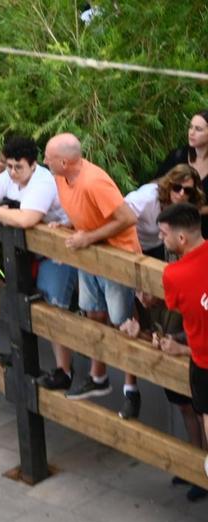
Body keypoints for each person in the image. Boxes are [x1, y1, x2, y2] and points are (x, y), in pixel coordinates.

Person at [44, 133, 142, 414]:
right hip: (90, 255)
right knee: (93, 313)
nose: (45, 162)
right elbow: (84, 214)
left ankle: (131, 390)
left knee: (121, 321)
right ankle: (98, 376)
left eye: (49, 158)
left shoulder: (93, 181)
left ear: (64, 161)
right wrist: (70, 228)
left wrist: (87, 238)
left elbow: (127, 218)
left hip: (116, 256)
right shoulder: (61, 178)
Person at [0, 135, 76, 341]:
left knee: (53, 308)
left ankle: (66, 368)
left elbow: (27, 219)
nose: (12, 172)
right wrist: (3, 212)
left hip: (58, 250)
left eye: (18, 167)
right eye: (9, 167)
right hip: (29, 250)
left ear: (33, 165)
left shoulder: (43, 182)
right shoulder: (10, 176)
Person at [156, 202, 208, 501]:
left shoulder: (174, 275)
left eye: (163, 234)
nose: (162, 239)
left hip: (203, 364)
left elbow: (175, 306)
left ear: (181, 239)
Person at [126, 163, 205, 261]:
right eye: (177, 188)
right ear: (169, 184)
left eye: (187, 191)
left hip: (156, 246)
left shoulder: (185, 206)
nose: (181, 194)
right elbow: (120, 214)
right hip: (130, 246)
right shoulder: (147, 198)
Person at [153, 109, 208, 231]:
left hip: (202, 231)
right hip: (172, 227)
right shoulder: (177, 156)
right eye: (191, 127)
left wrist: (194, 211)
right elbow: (156, 186)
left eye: (198, 129)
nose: (191, 133)